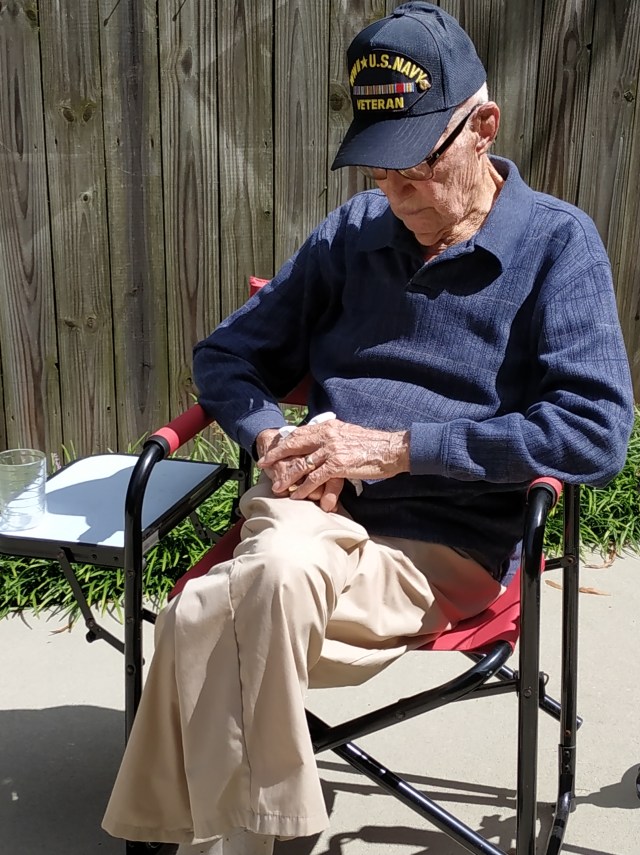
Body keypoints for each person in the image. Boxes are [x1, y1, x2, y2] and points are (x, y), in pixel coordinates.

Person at [102, 3, 634, 853]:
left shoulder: (557, 247)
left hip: (439, 547)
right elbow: (228, 356)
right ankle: (258, 830)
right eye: (378, 166)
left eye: (415, 162)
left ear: (483, 129)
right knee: (272, 569)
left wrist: (397, 451)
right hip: (309, 508)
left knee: (210, 608)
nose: (393, 189)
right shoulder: (353, 234)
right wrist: (270, 438)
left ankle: (199, 832)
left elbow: (595, 433)